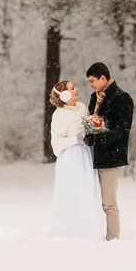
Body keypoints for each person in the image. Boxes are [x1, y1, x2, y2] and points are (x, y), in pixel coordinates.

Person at [49, 80, 105, 241]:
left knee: (88, 191)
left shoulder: (81, 107)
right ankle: (69, 231)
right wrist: (76, 138)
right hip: (70, 158)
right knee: (73, 192)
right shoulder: (59, 114)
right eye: (72, 89)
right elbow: (57, 143)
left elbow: (88, 125)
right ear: (65, 95)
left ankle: (90, 232)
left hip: (85, 155)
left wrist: (94, 127)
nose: (76, 89)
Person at [84, 62, 134, 241]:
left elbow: (122, 131)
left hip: (111, 156)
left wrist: (98, 137)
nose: (90, 85)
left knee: (109, 203)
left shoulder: (122, 98)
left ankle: (113, 239)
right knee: (93, 201)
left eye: (92, 81)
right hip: (93, 157)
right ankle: (94, 234)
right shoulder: (94, 97)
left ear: (103, 78)